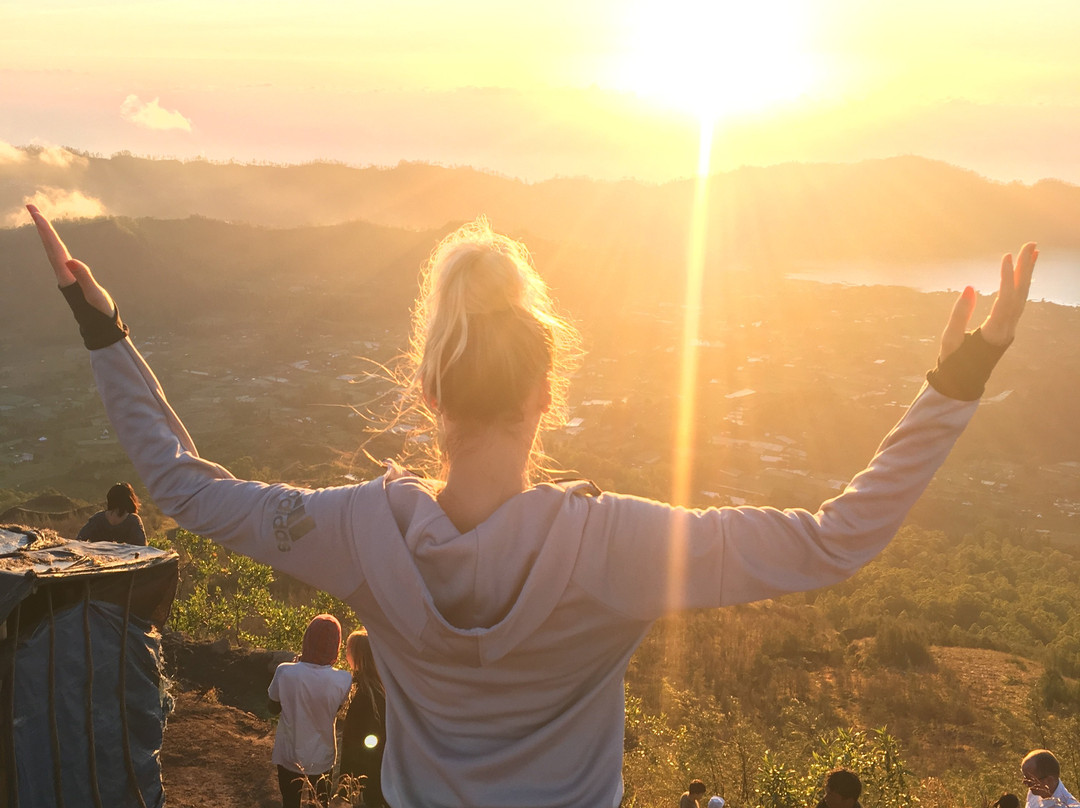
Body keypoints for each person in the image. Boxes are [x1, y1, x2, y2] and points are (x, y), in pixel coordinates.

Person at [27, 204, 1037, 808]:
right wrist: (957, 379)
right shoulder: (621, 545)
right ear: (545, 391)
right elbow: (836, 539)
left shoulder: (357, 533)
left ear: (428, 394)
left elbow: (180, 484)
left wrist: (104, 327)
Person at [268, 613, 353, 808]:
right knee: (320, 803)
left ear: (308, 639)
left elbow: (272, 708)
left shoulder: (285, 671)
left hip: (289, 754)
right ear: (336, 644)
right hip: (323, 756)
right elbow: (335, 709)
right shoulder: (343, 679)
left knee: (290, 802)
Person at [339, 628, 387, 807]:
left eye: (348, 650)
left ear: (357, 655)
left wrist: (345, 784)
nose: (345, 655)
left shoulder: (365, 694)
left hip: (370, 774)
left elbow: (352, 742)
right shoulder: (380, 686)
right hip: (383, 771)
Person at [76, 481, 147, 545]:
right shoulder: (133, 520)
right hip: (125, 558)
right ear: (130, 500)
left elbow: (79, 540)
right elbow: (142, 547)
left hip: (99, 558)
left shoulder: (98, 518)